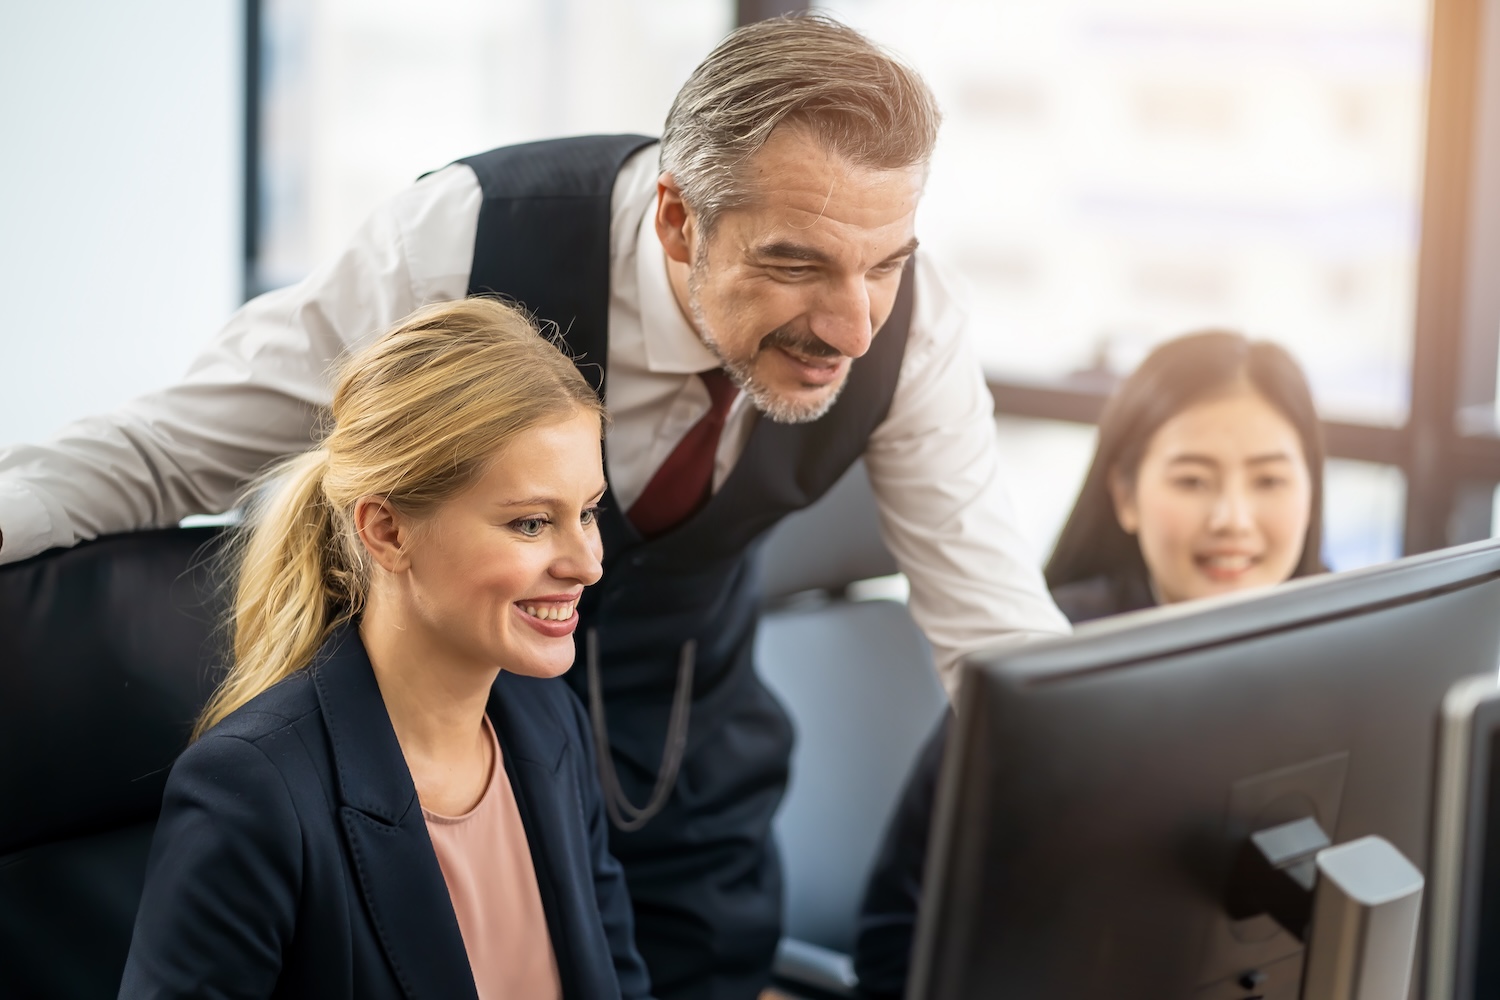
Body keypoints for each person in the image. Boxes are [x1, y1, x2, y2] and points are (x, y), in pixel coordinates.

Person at [0, 15, 1069, 998]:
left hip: (691, 810)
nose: (852, 324)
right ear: (679, 219)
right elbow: (162, 452)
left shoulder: (911, 325)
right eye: (797, 263)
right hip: (409, 805)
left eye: (886, 263)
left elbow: (995, 641)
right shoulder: (466, 239)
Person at [118, 298, 652, 999]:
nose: (587, 563)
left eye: (587, 512)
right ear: (388, 533)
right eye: (531, 523)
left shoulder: (550, 724)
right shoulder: (253, 793)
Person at [852, 329, 1326, 999]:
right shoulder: (1040, 656)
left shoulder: (1365, 657)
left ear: (1311, 490)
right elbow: (898, 934)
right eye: (1192, 479)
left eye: (1270, 479)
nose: (1232, 518)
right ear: (1126, 496)